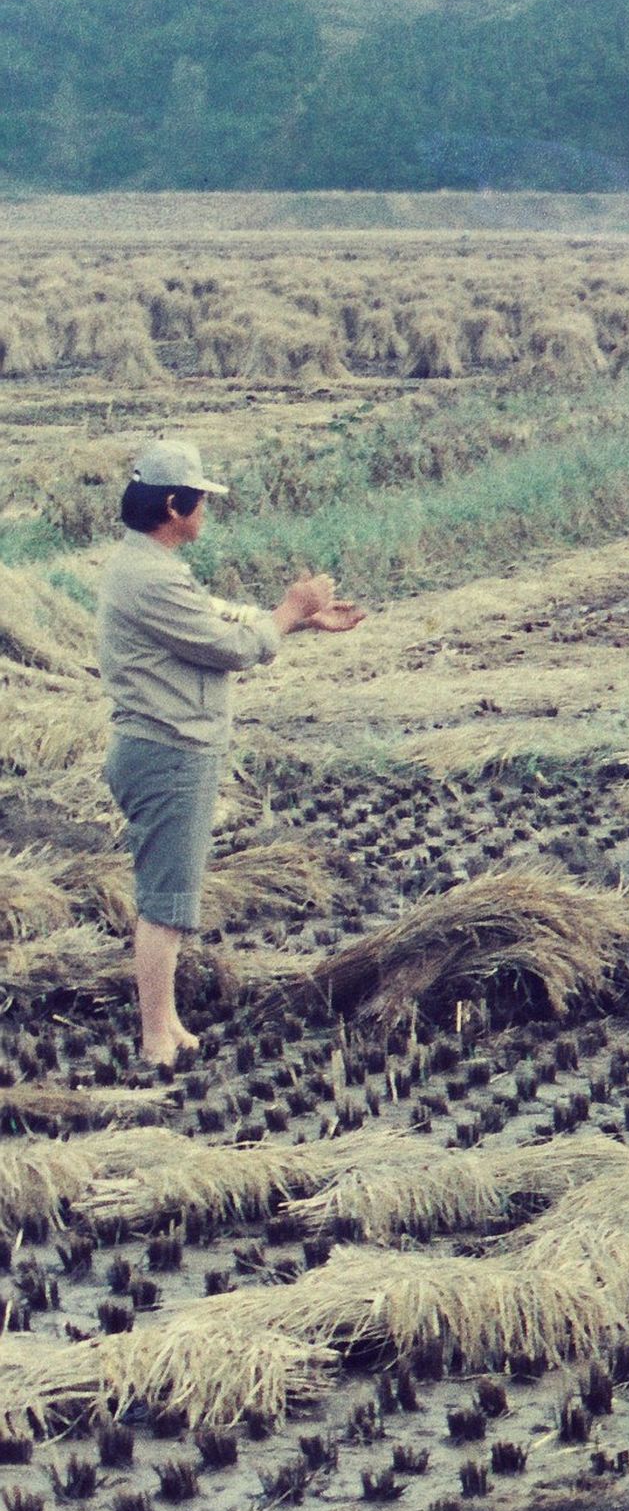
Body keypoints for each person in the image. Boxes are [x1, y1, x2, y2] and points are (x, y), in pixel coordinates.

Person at [92, 439, 362, 1067]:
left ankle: (167, 1021)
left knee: (173, 895)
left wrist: (294, 621)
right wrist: (290, 611)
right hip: (166, 751)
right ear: (172, 505)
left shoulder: (147, 566)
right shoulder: (149, 578)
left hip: (167, 747)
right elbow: (232, 647)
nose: (206, 512)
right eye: (200, 501)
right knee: (165, 904)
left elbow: (222, 615)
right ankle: (155, 1035)